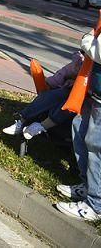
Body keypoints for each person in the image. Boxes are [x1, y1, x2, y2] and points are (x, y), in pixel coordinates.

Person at [55, 31, 101, 221]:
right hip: (95, 94)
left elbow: (97, 51)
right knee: (79, 129)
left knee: (95, 147)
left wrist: (88, 39)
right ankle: (87, 185)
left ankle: (95, 203)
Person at [2, 48, 83, 141]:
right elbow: (63, 73)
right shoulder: (80, 62)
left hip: (85, 98)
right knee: (52, 95)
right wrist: (50, 84)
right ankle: (22, 121)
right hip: (69, 89)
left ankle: (41, 126)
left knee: (69, 105)